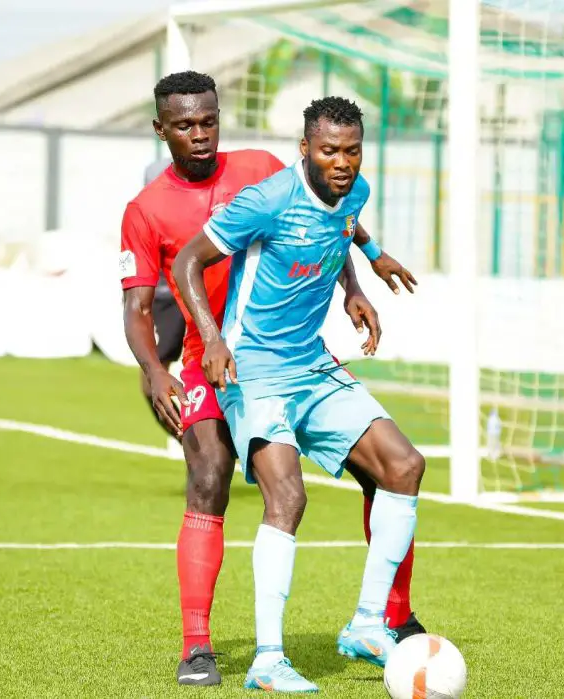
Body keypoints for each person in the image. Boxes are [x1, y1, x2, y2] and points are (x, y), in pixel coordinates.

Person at [120, 72, 423, 688]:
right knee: (213, 477)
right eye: (185, 125)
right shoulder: (147, 209)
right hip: (219, 356)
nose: (200, 134)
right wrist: (155, 370)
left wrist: (362, 272)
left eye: (209, 121)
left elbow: (336, 217)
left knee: (394, 467)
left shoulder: (261, 167)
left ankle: (384, 618)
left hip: (300, 357)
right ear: (161, 130)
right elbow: (140, 304)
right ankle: (202, 647)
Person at [135, 157, 187, 439]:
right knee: (153, 378)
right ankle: (185, 437)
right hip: (165, 299)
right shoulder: (142, 217)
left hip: (197, 294)